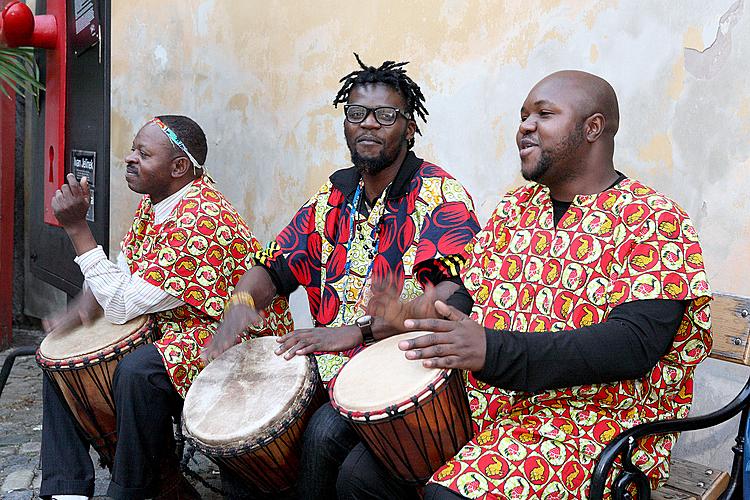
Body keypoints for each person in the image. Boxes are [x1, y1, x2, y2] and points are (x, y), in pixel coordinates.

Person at [350, 70, 712, 499]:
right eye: (523, 115)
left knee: (446, 496)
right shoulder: (515, 208)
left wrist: (491, 350)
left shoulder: (655, 219)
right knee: (360, 475)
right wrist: (417, 313)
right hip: (489, 405)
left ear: (593, 127)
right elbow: (471, 294)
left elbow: (632, 345)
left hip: (586, 428)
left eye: (544, 113)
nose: (524, 125)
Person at [205, 54, 481, 498]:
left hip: (403, 373)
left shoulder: (442, 196)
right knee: (236, 425)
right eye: (356, 114)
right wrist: (236, 314)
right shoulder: (334, 194)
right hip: (328, 364)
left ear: (409, 128)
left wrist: (363, 329)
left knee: (321, 434)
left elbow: (453, 299)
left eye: (385, 115)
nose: (368, 124)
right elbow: (272, 269)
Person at [40, 115, 293, 500]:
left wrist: (78, 229)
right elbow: (121, 275)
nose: (129, 158)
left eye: (143, 153)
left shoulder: (200, 220)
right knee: (61, 364)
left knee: (138, 371)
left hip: (234, 339)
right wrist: (74, 317)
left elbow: (122, 302)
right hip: (178, 327)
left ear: (178, 167)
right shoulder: (155, 203)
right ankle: (65, 490)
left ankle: (136, 489)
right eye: (132, 149)